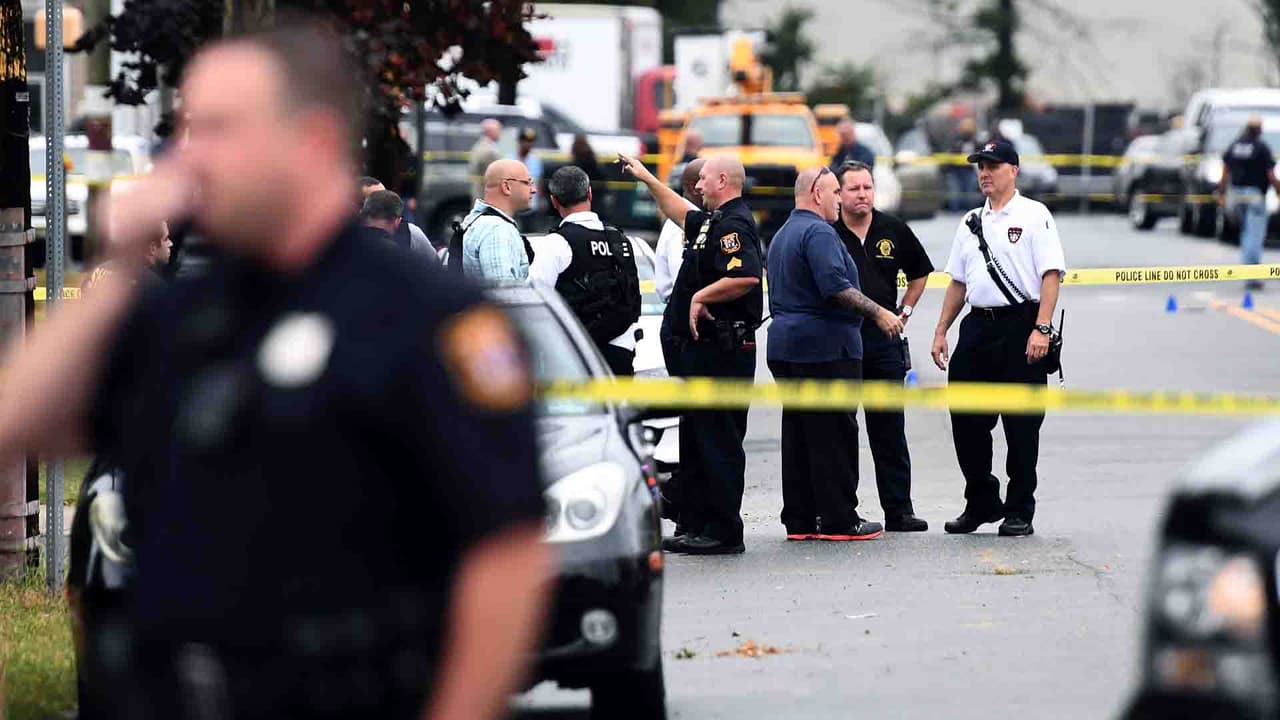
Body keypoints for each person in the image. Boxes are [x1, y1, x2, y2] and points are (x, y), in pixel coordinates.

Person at [0, 21, 551, 720]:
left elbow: (506, 554)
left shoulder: (428, 319)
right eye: (190, 131)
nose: (190, 157)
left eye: (220, 130)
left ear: (311, 140)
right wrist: (115, 258)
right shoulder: (188, 312)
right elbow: (21, 422)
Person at [618, 152, 763, 555]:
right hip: (702, 353)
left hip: (723, 352)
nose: (696, 185)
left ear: (722, 180)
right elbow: (679, 211)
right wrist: (646, 178)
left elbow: (746, 276)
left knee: (719, 443)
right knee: (698, 443)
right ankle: (696, 525)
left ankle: (724, 532)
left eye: (702, 179)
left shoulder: (734, 224)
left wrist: (701, 296)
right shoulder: (713, 221)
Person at [930, 139, 1066, 538]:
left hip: (1020, 324)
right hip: (978, 326)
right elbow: (958, 281)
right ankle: (982, 500)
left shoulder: (1034, 215)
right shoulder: (971, 221)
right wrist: (941, 329)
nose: (984, 173)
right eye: (980, 167)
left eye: (992, 165)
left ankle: (1020, 508)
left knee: (1021, 425)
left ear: (1014, 170)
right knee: (965, 418)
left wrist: (1042, 327)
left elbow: (1051, 275)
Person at [767, 166, 905, 542]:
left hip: (786, 347)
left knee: (800, 434)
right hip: (825, 348)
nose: (840, 200)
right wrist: (879, 313)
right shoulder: (819, 233)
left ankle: (801, 519)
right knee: (834, 434)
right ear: (817, 194)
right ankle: (839, 519)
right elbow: (834, 286)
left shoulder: (782, 234)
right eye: (834, 193)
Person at [832, 161, 933, 532]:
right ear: (839, 193)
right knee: (841, 429)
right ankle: (844, 510)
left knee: (889, 429)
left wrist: (905, 311)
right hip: (842, 341)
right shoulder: (829, 231)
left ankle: (899, 510)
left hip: (884, 341)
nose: (863, 195)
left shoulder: (892, 228)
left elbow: (921, 272)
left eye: (868, 187)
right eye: (854, 188)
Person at [528, 166, 641, 375]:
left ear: (554, 201)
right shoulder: (620, 240)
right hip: (621, 353)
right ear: (589, 193)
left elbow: (537, 300)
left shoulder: (556, 244)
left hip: (575, 354)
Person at [1217, 114, 1280, 290]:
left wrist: (1221, 192)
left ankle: (1248, 272)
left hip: (1237, 195)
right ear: (1259, 129)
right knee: (1254, 235)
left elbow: (1225, 170)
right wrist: (1278, 189)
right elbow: (1270, 174)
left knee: (1246, 233)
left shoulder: (1236, 145)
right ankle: (1251, 276)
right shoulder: (1261, 147)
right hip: (1254, 196)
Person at [450, 159, 536, 282]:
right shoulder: (496, 229)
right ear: (506, 187)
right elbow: (502, 290)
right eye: (528, 183)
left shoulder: (477, 221)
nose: (534, 190)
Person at [359, 177, 436, 259]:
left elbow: (434, 264)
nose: (383, 205)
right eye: (374, 202)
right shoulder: (350, 238)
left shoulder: (410, 233)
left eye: (385, 198)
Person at [468, 118, 502, 201]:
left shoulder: (480, 145)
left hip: (480, 193)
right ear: (490, 132)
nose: (500, 133)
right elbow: (496, 174)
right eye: (498, 130)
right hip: (486, 195)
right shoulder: (489, 150)